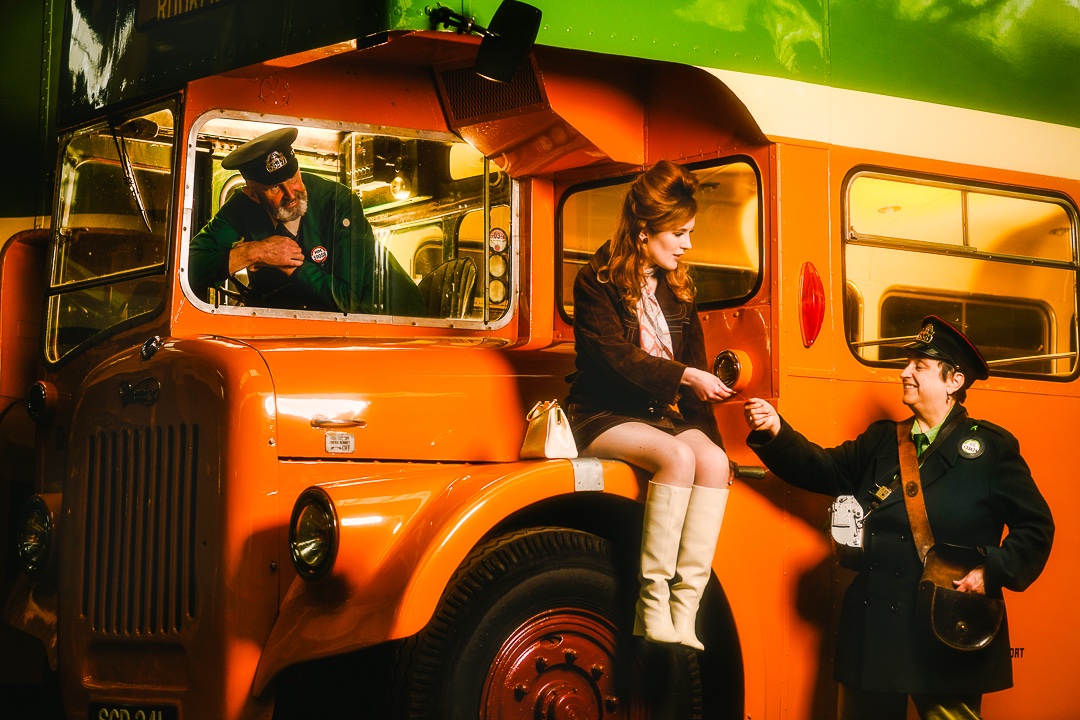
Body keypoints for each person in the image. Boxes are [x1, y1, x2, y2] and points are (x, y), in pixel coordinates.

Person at [742, 316, 1054, 720]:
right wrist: (775, 431)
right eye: (907, 363)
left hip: (948, 623)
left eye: (919, 366)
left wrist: (990, 572)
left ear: (954, 381)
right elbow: (821, 469)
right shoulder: (882, 440)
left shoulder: (991, 448)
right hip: (875, 631)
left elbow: (1036, 527)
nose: (905, 373)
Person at [567, 160, 735, 650]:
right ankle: (652, 604)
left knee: (712, 461)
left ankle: (686, 609)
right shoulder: (595, 280)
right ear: (644, 230)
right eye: (679, 233)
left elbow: (696, 373)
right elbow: (615, 358)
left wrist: (716, 445)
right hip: (599, 414)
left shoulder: (678, 287)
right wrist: (684, 376)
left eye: (689, 233)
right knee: (678, 457)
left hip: (657, 417)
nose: (687, 245)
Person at [188, 127, 425, 315]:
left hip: (392, 319)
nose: (291, 194)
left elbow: (347, 301)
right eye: (275, 188)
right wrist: (253, 252)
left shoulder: (338, 201)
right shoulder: (242, 207)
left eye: (293, 178)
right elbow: (189, 268)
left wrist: (288, 264)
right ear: (253, 195)